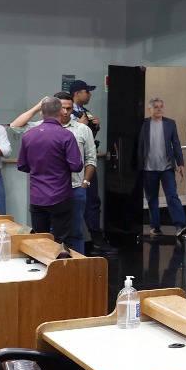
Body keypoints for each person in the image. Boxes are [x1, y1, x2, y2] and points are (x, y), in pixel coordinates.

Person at [16, 96, 83, 250]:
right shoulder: (66, 135)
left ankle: (42, 265)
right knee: (62, 243)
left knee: (41, 241)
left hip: (37, 197)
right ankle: (62, 264)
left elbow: (22, 166)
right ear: (60, 112)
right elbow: (77, 166)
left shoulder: (29, 135)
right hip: (61, 195)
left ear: (41, 114)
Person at [65, 79, 112, 254]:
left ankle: (96, 240)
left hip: (87, 164)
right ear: (77, 93)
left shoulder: (85, 112)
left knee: (92, 202)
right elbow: (63, 138)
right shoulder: (65, 116)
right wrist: (81, 126)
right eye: (87, 91)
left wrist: (95, 128)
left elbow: (86, 141)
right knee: (71, 205)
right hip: (71, 167)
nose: (90, 95)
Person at [55, 92, 97, 255]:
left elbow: (91, 158)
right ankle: (54, 266)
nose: (65, 112)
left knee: (76, 231)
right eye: (62, 108)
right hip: (52, 189)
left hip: (76, 187)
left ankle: (79, 266)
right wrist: (40, 106)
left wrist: (85, 183)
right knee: (53, 231)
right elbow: (16, 126)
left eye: (69, 108)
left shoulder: (82, 129)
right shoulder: (45, 127)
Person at [138, 97, 186, 236]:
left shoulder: (170, 123)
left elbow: (176, 143)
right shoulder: (143, 124)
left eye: (161, 106)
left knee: (172, 196)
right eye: (156, 107)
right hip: (148, 169)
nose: (159, 109)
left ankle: (180, 225)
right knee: (152, 198)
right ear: (150, 109)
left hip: (167, 168)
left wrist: (180, 163)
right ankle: (155, 227)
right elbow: (139, 146)